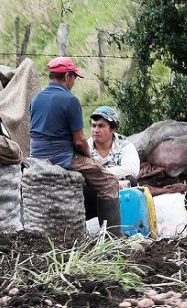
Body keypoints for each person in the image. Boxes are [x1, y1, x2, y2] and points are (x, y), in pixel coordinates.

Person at [29, 57, 122, 236]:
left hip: (36, 156)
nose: (73, 82)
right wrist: (90, 159)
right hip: (61, 157)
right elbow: (79, 141)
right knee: (109, 182)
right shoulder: (69, 100)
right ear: (67, 76)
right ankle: (113, 238)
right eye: (74, 78)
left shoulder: (36, 98)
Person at [89, 106, 140, 186]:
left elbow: (132, 169)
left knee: (131, 181)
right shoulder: (84, 147)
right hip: (92, 190)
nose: (96, 130)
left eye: (101, 126)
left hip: (119, 187)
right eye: (93, 126)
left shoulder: (125, 146)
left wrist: (101, 174)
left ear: (113, 129)